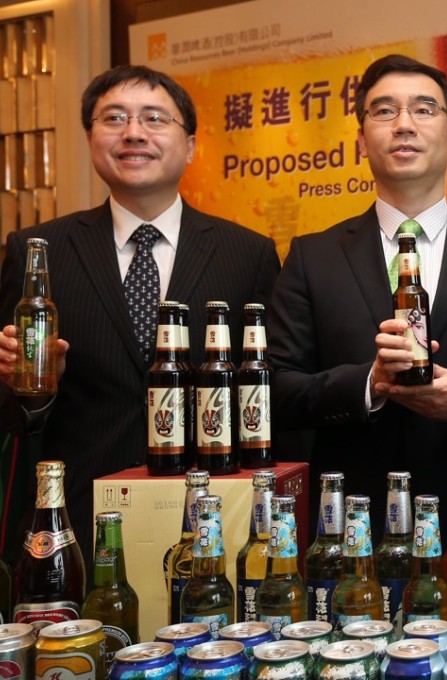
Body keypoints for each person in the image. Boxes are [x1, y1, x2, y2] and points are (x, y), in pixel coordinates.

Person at [0, 65, 280, 566]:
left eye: (154, 118)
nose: (133, 133)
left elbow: (271, 389)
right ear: (90, 139)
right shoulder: (38, 252)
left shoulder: (248, 253)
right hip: (77, 525)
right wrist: (36, 387)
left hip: (216, 519)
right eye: (114, 118)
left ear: (190, 145)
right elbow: (10, 415)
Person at [268, 54, 447, 535]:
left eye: (424, 109)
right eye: (385, 111)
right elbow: (278, 391)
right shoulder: (312, 257)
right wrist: (368, 385)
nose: (404, 125)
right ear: (361, 140)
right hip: (347, 522)